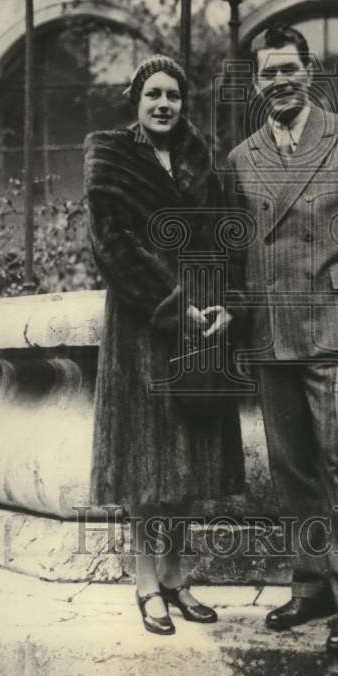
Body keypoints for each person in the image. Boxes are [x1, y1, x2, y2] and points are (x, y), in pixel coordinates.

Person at [224, 24, 338, 653]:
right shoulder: (243, 157)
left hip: (333, 327)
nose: (279, 83)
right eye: (268, 73)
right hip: (271, 331)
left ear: (310, 71)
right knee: (291, 469)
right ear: (257, 82)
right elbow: (237, 250)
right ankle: (311, 586)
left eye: (288, 70)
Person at [83, 54, 245, 636]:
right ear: (136, 98)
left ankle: (177, 578)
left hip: (202, 323)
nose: (163, 104)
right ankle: (146, 582)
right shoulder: (109, 155)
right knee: (146, 465)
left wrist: (228, 301)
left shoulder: (203, 158)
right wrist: (174, 304)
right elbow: (112, 243)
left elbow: (231, 235)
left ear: (183, 103)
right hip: (143, 322)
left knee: (191, 461)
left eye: (173, 95)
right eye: (153, 93)